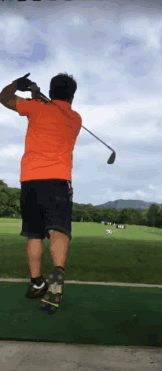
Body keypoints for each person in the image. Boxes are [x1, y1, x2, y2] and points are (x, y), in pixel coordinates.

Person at [0, 72, 82, 313]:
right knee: (58, 229)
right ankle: (57, 273)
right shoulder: (75, 118)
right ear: (72, 95)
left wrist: (19, 85)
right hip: (58, 181)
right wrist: (37, 94)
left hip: (31, 180)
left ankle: (37, 283)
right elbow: (51, 107)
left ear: (51, 90)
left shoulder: (36, 108)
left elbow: (4, 98)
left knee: (34, 234)